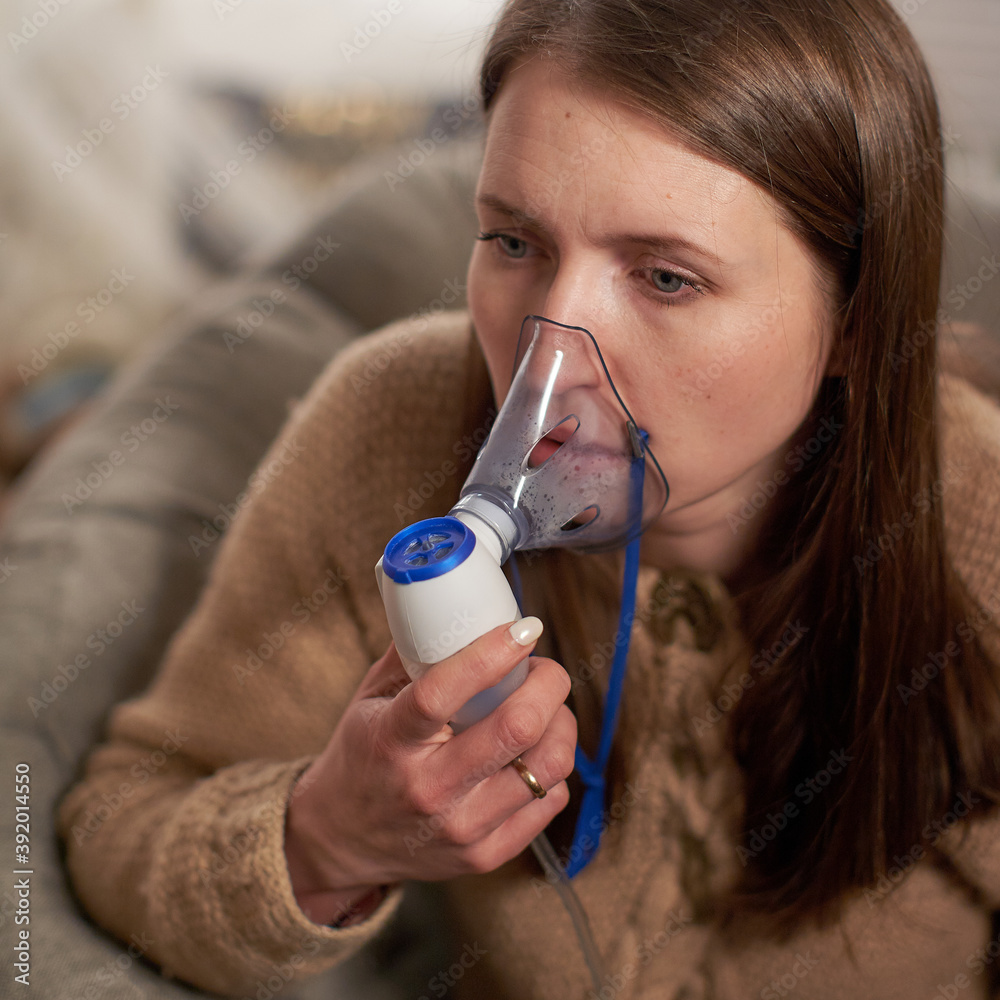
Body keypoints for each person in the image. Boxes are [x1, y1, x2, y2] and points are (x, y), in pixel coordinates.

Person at [58, 0, 1000, 996]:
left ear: (855, 317)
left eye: (667, 278)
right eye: (513, 243)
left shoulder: (976, 526)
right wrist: (327, 836)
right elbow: (123, 820)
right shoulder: (386, 433)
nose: (549, 351)